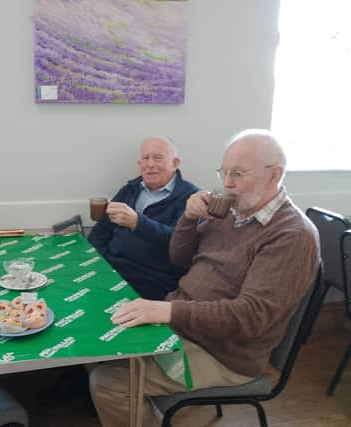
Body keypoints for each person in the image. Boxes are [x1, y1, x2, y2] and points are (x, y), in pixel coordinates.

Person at [89, 129, 320, 427]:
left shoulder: (292, 235)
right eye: (224, 172)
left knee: (107, 382)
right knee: (96, 347)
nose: (227, 183)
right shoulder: (233, 210)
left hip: (223, 352)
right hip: (185, 324)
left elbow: (252, 316)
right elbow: (179, 258)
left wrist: (167, 310)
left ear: (273, 175)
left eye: (237, 173)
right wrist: (188, 218)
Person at [88, 137, 199, 300]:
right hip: (110, 272)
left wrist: (138, 223)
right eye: (145, 158)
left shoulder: (191, 199)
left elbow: (184, 247)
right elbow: (100, 232)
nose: (150, 164)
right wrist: (99, 264)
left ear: (175, 163)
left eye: (158, 158)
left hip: (151, 283)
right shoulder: (130, 189)